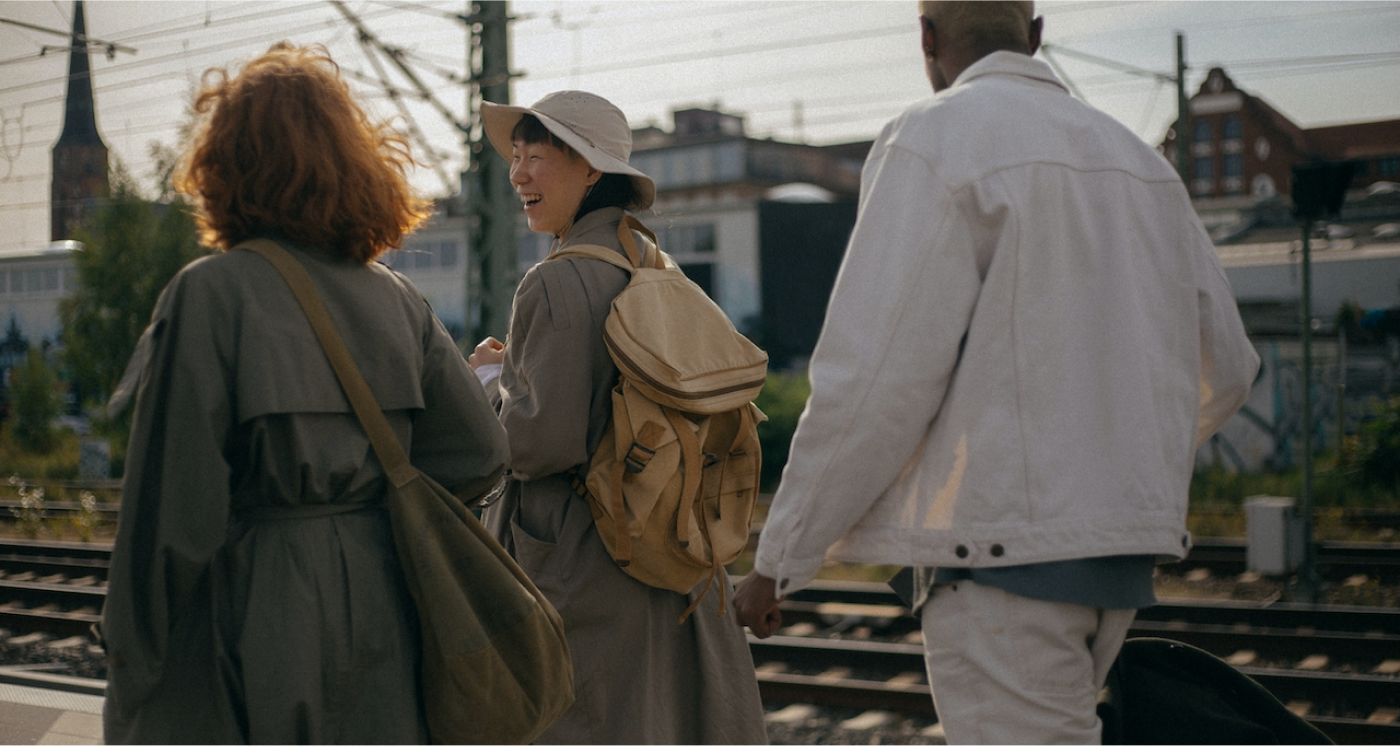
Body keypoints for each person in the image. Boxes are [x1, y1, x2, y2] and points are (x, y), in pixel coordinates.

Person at [734, 1, 1261, 744]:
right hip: (1115, 564)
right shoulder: (1138, 160)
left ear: (926, 38)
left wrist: (778, 563)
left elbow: (875, 385)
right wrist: (1112, 456)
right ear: (1037, 35)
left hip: (1000, 563)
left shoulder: (933, 139)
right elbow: (1231, 368)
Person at [100, 43, 510, 745]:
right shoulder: (398, 300)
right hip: (388, 605)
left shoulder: (210, 295)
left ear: (226, 166)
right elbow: (480, 453)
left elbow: (169, 512)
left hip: (260, 604)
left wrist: (131, 665)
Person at [468, 91, 769, 746]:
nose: (518, 174)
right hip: (667, 542)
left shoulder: (552, 281)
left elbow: (536, 445)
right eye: (516, 157)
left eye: (537, 157)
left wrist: (490, 383)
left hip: (581, 566)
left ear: (591, 171)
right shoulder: (658, 267)